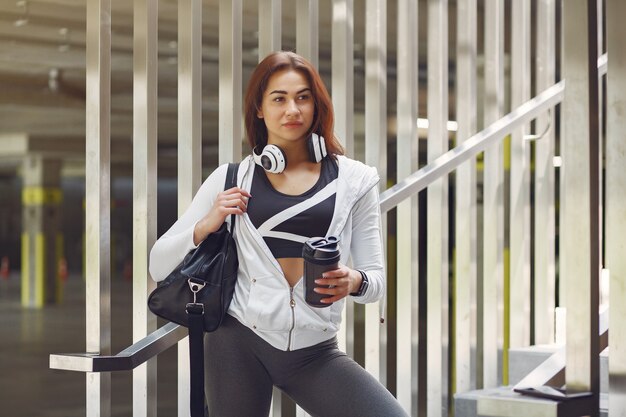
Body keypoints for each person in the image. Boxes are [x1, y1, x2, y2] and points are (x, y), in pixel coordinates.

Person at [149, 51, 407, 417]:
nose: (293, 110)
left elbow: (376, 282)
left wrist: (355, 281)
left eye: (303, 97)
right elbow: (158, 264)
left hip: (315, 350)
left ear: (317, 107)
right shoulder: (230, 178)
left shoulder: (355, 181)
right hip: (236, 344)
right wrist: (207, 223)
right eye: (279, 98)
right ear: (259, 108)